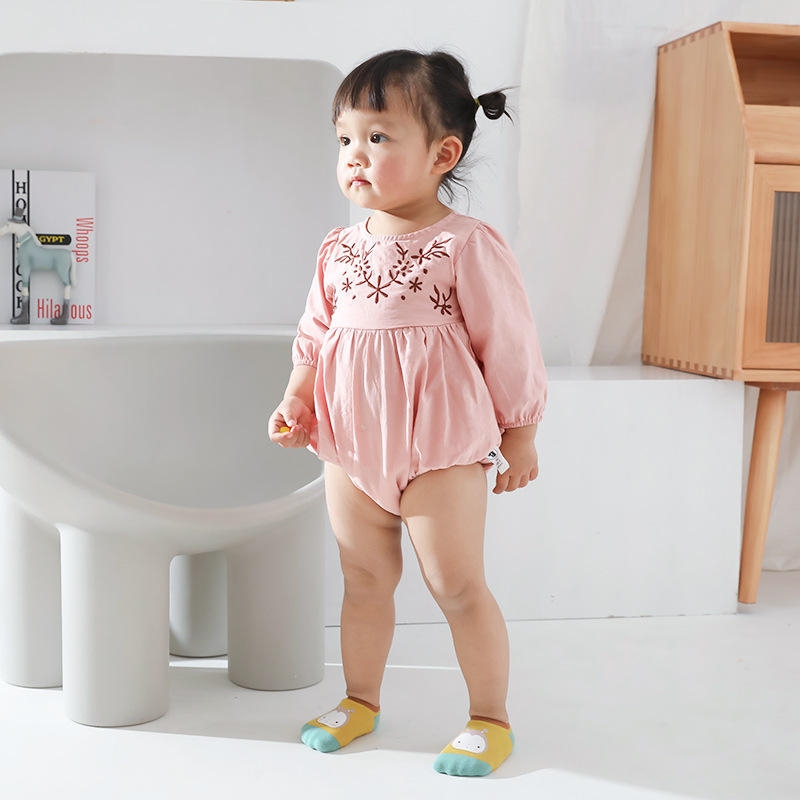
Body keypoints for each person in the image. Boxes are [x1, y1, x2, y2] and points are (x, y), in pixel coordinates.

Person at [268, 48, 547, 778]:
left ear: (442, 154)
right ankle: (360, 699)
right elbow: (315, 338)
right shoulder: (337, 250)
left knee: (455, 584)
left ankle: (490, 717)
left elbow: (508, 344)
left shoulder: (464, 245)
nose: (355, 155)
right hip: (350, 445)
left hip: (440, 446)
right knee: (363, 580)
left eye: (378, 137)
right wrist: (297, 397)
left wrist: (520, 433)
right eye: (345, 139)